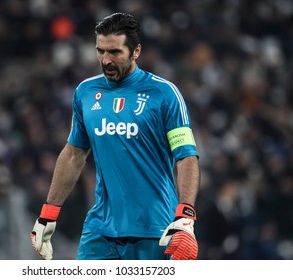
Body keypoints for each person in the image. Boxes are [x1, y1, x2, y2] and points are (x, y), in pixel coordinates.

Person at [30, 12, 200, 260]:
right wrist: (48, 212)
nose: (106, 60)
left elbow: (186, 157)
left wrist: (185, 216)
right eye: (100, 51)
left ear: (136, 51)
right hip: (99, 231)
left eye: (115, 53)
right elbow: (74, 153)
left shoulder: (164, 94)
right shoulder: (86, 93)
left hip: (155, 231)